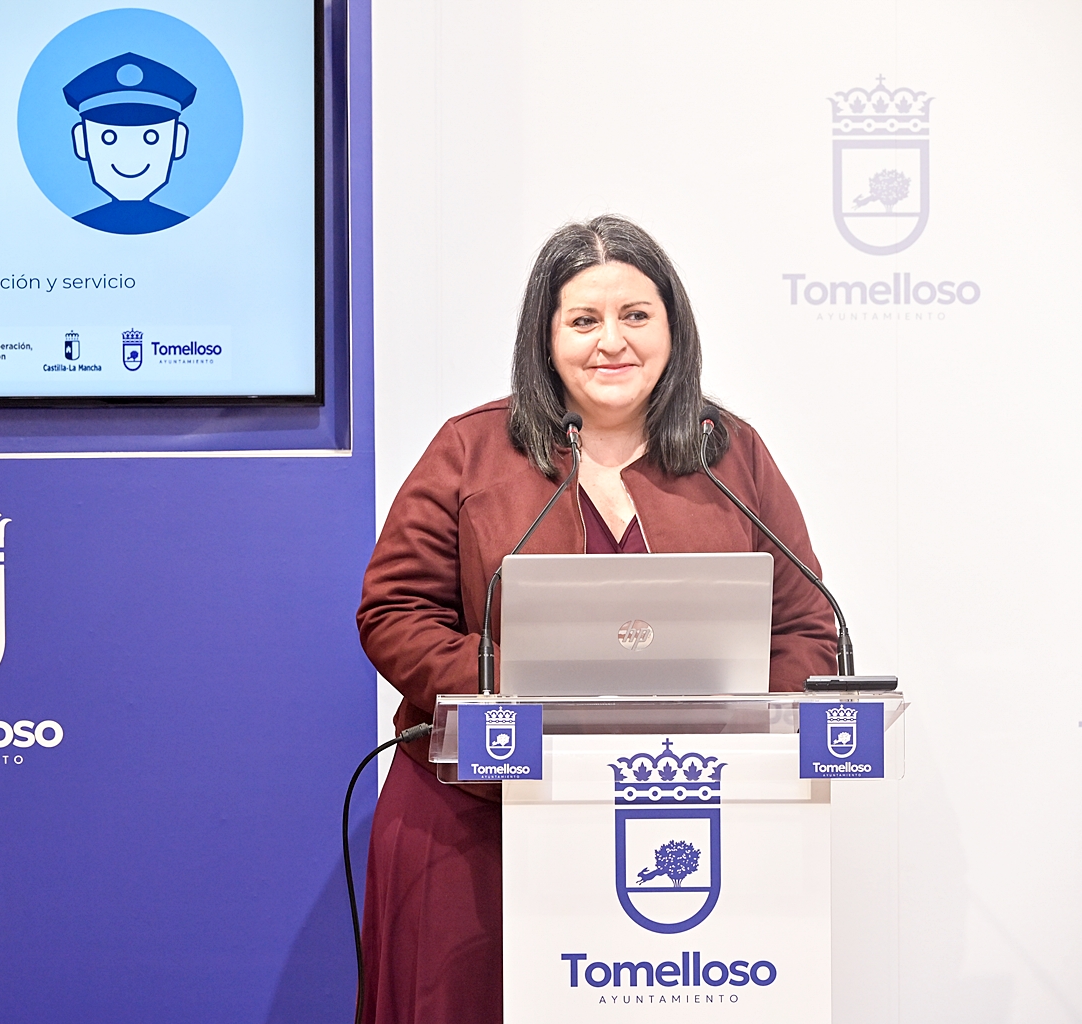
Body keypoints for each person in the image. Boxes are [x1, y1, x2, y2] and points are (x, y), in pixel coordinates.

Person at [354, 215, 837, 1024]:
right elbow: (396, 609)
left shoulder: (732, 454)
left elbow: (806, 627)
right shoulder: (470, 450)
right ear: (545, 338)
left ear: (672, 330)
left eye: (636, 316)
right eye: (584, 320)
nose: (612, 342)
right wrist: (519, 690)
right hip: (479, 815)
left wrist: (738, 729)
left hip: (684, 810)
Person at [63, 52, 194, 234]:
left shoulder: (187, 229)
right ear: (81, 141)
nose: (131, 154)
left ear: (178, 141)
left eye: (151, 137)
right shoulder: (72, 230)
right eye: (109, 138)